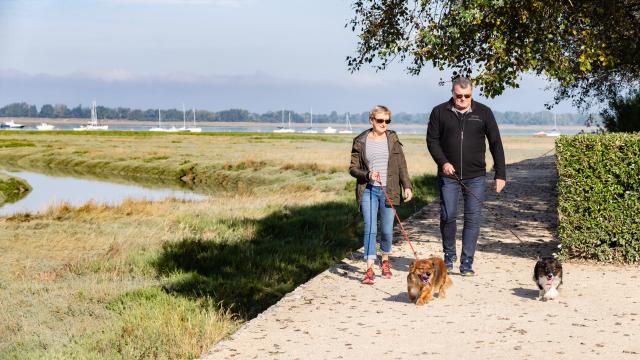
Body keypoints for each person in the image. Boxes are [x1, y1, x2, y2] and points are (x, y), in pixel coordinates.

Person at [426, 77, 506, 276]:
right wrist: (443, 162)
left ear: (472, 94)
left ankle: (467, 262)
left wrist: (500, 174)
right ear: (452, 93)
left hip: (476, 175)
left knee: (473, 218)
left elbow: (495, 142)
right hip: (448, 175)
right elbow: (432, 141)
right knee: (448, 215)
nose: (462, 99)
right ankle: (449, 255)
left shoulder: (484, 112)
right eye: (458, 95)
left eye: (467, 96)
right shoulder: (439, 112)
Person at [349, 105, 413, 285]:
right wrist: (367, 175)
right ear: (371, 120)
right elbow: (353, 168)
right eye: (380, 120)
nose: (384, 124)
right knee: (370, 228)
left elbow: (401, 165)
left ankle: (385, 260)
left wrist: (406, 185)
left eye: (387, 121)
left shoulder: (392, 138)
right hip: (368, 190)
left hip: (390, 190)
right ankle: (369, 268)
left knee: (386, 230)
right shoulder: (360, 141)